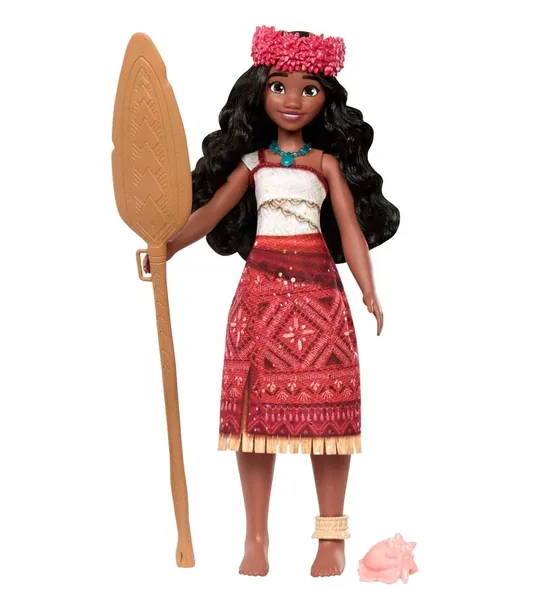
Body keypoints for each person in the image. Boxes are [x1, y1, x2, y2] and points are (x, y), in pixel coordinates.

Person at [143, 25, 399, 577]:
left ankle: (331, 537)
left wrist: (368, 287)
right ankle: (255, 537)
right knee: (251, 414)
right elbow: (211, 213)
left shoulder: (325, 164)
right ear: (259, 91)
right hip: (259, 300)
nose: (292, 100)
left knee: (330, 414)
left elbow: (349, 229)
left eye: (309, 89)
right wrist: (166, 247)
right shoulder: (253, 164)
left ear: (326, 99)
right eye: (279, 86)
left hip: (319, 299)